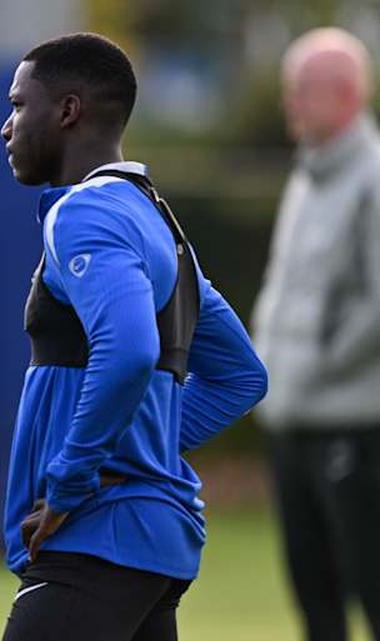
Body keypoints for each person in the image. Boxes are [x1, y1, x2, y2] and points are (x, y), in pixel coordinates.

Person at [0, 33, 268, 641]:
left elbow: (130, 352)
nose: (6, 127)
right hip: (148, 545)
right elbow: (241, 375)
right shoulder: (154, 216)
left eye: (18, 105)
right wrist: (135, 455)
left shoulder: (83, 213)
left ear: (68, 111)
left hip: (97, 535)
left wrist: (74, 478)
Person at [252, 27, 380, 641]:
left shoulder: (374, 179)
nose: (290, 104)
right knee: (314, 603)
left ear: (347, 94)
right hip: (294, 422)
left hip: (357, 426)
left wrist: (315, 368)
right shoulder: (306, 176)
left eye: (301, 90)